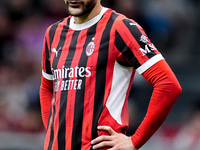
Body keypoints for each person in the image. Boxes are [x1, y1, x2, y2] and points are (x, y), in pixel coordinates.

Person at [40, 0, 182, 149]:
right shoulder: (53, 33)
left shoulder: (120, 27)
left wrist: (135, 140)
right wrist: (53, 132)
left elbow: (168, 84)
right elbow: (46, 88)